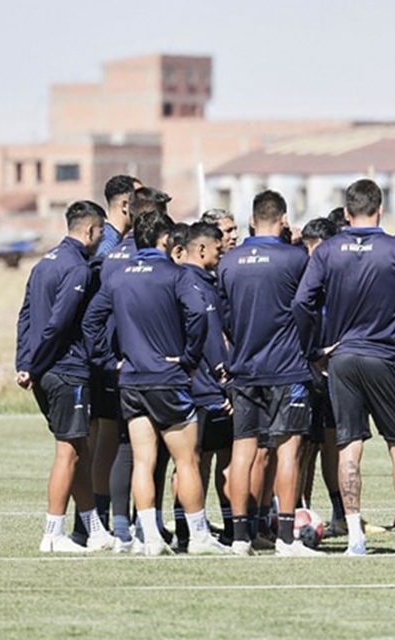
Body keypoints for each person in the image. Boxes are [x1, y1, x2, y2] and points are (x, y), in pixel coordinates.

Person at [292, 178, 395, 556]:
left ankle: (355, 536)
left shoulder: (327, 251)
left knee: (348, 446)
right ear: (380, 210)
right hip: (384, 357)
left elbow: (301, 303)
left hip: (341, 359)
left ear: (346, 213)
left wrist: (314, 348)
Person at [82, 211, 228, 556]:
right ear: (165, 240)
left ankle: (149, 538)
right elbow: (198, 316)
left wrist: (107, 361)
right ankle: (198, 536)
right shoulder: (175, 276)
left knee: (143, 460)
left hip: (130, 381)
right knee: (187, 460)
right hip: (167, 379)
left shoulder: (117, 277)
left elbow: (92, 320)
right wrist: (190, 358)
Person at [218, 191, 319, 557]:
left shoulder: (229, 261)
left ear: (250, 220)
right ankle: (287, 539)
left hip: (243, 369)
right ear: (283, 219)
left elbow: (224, 317)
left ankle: (241, 538)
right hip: (287, 368)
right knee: (287, 451)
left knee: (242, 453)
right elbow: (308, 305)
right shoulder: (294, 258)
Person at [16, 200, 114, 553]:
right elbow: (58, 323)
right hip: (65, 371)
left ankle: (94, 529)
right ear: (89, 230)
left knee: (80, 451)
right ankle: (52, 534)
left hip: (45, 371)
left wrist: (23, 362)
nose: (102, 237)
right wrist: (35, 363)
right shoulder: (78, 268)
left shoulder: (45, 263)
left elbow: (25, 317)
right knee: (68, 453)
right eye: (102, 231)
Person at [80, 174, 140, 542]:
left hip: (106, 357)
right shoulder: (107, 248)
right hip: (106, 360)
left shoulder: (112, 244)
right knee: (106, 438)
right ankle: (99, 517)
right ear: (124, 205)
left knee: (105, 438)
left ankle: (101, 517)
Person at [295, 217, 358, 537]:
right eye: (311, 250)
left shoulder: (343, 277)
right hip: (303, 367)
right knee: (302, 446)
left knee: (334, 442)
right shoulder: (295, 276)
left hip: (336, 370)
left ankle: (340, 513)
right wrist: (313, 351)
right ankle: (297, 510)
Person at [178, 223, 233, 546]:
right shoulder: (194, 285)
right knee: (198, 459)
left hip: (196, 384)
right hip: (204, 387)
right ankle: (196, 529)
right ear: (201, 250)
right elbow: (209, 339)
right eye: (217, 249)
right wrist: (223, 378)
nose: (220, 253)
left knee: (200, 459)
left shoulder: (189, 281)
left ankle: (195, 528)